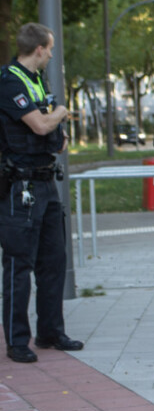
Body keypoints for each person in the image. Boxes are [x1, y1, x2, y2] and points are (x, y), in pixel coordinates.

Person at [0, 23, 82, 363]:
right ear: (38, 49)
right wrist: (61, 113)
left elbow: (50, 131)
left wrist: (57, 131)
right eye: (49, 48)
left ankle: (50, 332)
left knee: (53, 260)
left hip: (45, 179)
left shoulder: (37, 80)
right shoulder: (9, 81)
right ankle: (18, 341)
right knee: (20, 263)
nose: (51, 53)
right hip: (21, 184)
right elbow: (39, 123)